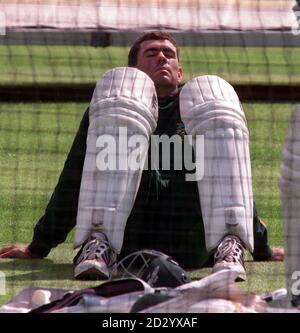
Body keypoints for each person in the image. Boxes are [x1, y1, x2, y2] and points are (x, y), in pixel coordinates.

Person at [0, 31, 283, 282]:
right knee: (116, 100)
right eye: (152, 53)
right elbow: (75, 176)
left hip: (190, 242)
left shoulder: (204, 110)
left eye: (168, 54)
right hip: (126, 241)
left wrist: (261, 247)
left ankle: (229, 243)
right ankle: (99, 243)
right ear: (134, 69)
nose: (162, 58)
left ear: (180, 71)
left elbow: (230, 175)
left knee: (214, 93)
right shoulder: (108, 111)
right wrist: (39, 245)